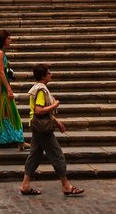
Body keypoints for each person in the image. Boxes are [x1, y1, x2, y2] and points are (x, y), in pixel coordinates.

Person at [19, 64, 83, 197]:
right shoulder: (41, 90)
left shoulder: (37, 88)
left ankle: (25, 185)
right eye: (49, 73)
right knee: (57, 154)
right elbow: (39, 110)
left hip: (37, 126)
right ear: (43, 76)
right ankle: (66, 186)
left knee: (35, 155)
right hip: (42, 128)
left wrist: (56, 121)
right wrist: (55, 104)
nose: (51, 74)